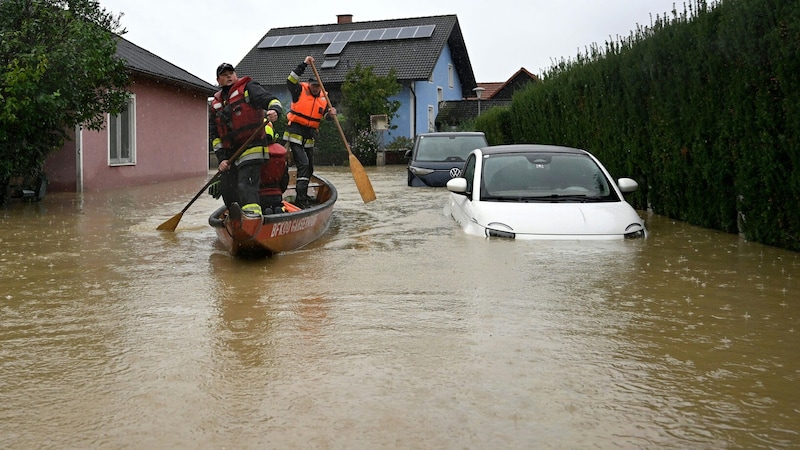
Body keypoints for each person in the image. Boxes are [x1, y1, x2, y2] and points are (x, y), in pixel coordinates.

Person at [209, 62, 282, 217]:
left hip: (252, 146)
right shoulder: (215, 104)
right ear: (218, 80)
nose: (229, 76)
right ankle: (236, 218)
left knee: (246, 184)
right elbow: (215, 136)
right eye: (224, 75)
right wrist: (222, 159)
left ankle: (252, 217)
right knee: (227, 187)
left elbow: (270, 99)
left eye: (231, 73)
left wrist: (274, 110)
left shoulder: (249, 88)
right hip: (231, 153)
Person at [283, 55, 336, 208]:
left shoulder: (324, 98)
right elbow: (290, 79)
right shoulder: (299, 90)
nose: (314, 88)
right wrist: (304, 64)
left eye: (317, 86)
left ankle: (303, 195)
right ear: (309, 85)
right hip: (295, 133)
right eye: (312, 86)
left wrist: (331, 115)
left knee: (310, 167)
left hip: (309, 136)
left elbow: (325, 117)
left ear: (319, 87)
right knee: (304, 164)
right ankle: (300, 199)